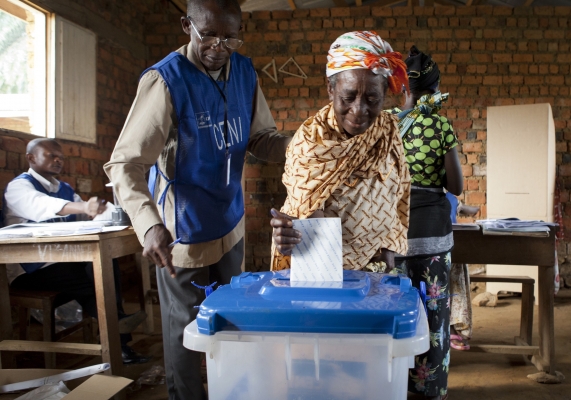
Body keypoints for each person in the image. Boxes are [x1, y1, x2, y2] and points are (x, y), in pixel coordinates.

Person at [104, 0, 291, 398]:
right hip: (182, 230)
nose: (219, 46)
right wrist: (149, 224)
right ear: (187, 25)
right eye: (208, 35)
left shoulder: (244, 73)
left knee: (233, 321)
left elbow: (261, 138)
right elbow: (124, 163)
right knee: (184, 330)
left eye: (230, 37)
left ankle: (234, 391)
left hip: (229, 220)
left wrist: (303, 145)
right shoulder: (166, 80)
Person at [270, 31, 410, 275]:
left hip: (380, 268)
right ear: (330, 90)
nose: (358, 110)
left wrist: (389, 247)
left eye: (372, 98)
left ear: (385, 96)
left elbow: (401, 190)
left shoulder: (388, 131)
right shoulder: (311, 145)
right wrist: (290, 236)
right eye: (348, 97)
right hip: (324, 275)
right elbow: (310, 227)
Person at [3, 138, 148, 364]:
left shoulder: (64, 189)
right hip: (29, 273)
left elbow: (88, 213)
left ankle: (118, 338)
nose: (58, 159)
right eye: (50, 155)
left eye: (60, 156)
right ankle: (118, 334)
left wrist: (113, 213)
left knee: (106, 265)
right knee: (96, 276)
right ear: (31, 158)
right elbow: (40, 204)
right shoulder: (20, 187)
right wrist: (82, 206)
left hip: (61, 265)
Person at [389, 46, 462, 400]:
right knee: (435, 320)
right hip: (433, 236)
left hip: (392, 236)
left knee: (394, 316)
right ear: (436, 89)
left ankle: (391, 387)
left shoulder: (387, 122)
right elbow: (457, 185)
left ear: (403, 89)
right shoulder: (440, 124)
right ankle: (430, 390)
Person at [445, 192, 479, 352]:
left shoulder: (448, 196)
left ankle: (453, 325)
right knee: (454, 267)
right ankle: (450, 327)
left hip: (448, 247)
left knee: (458, 264)